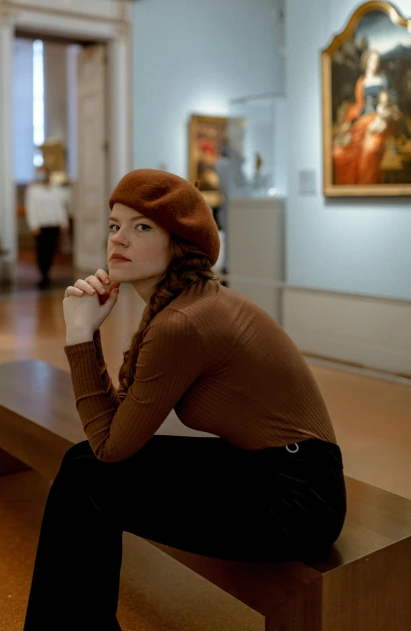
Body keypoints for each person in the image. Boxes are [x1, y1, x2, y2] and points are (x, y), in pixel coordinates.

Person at [23, 169, 346, 631]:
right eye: (115, 226)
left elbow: (112, 447)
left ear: (180, 243)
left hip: (299, 500)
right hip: (271, 469)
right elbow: (112, 436)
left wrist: (80, 335)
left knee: (89, 479)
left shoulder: (184, 322)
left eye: (142, 227)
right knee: (80, 466)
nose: (119, 240)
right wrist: (86, 335)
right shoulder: (181, 304)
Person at [333, 48, 389, 184]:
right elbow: (359, 105)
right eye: (372, 60)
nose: (375, 63)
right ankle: (350, 184)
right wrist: (349, 120)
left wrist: (381, 117)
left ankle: (365, 184)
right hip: (363, 118)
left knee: (367, 150)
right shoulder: (362, 81)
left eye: (377, 61)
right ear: (367, 62)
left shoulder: (383, 79)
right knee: (341, 152)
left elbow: (387, 102)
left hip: (379, 118)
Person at [25, 167, 69, 288]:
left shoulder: (57, 190)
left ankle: (48, 272)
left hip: (53, 224)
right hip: (41, 226)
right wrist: (33, 224)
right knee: (41, 251)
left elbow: (60, 207)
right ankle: (43, 273)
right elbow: (31, 208)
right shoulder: (33, 190)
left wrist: (63, 221)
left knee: (51, 250)